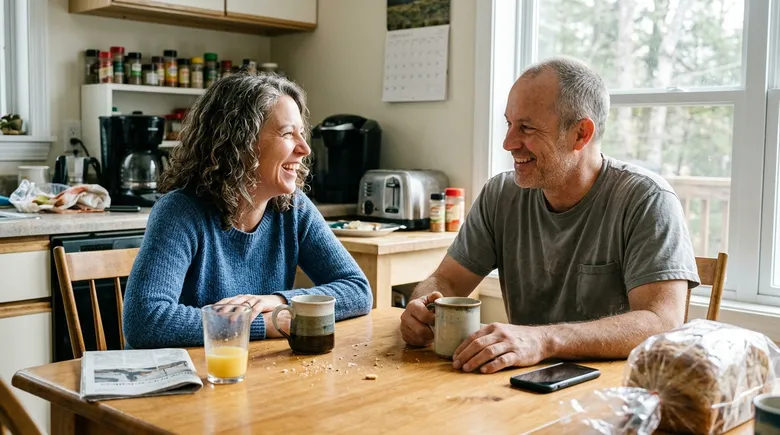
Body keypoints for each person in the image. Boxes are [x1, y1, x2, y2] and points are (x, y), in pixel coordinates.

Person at [400, 56, 700, 373]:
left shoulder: (647, 199)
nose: (508, 143)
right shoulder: (500, 195)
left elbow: (661, 323)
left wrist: (543, 340)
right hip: (518, 385)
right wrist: (422, 305)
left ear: (581, 134)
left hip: (615, 393)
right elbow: (447, 279)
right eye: (509, 124)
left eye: (526, 128)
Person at [123, 72, 373, 349]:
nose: (304, 149)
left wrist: (278, 302)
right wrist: (260, 323)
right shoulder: (179, 212)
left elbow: (357, 290)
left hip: (250, 371)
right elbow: (146, 321)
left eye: (302, 134)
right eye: (288, 134)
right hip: (183, 378)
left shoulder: (294, 208)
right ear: (240, 142)